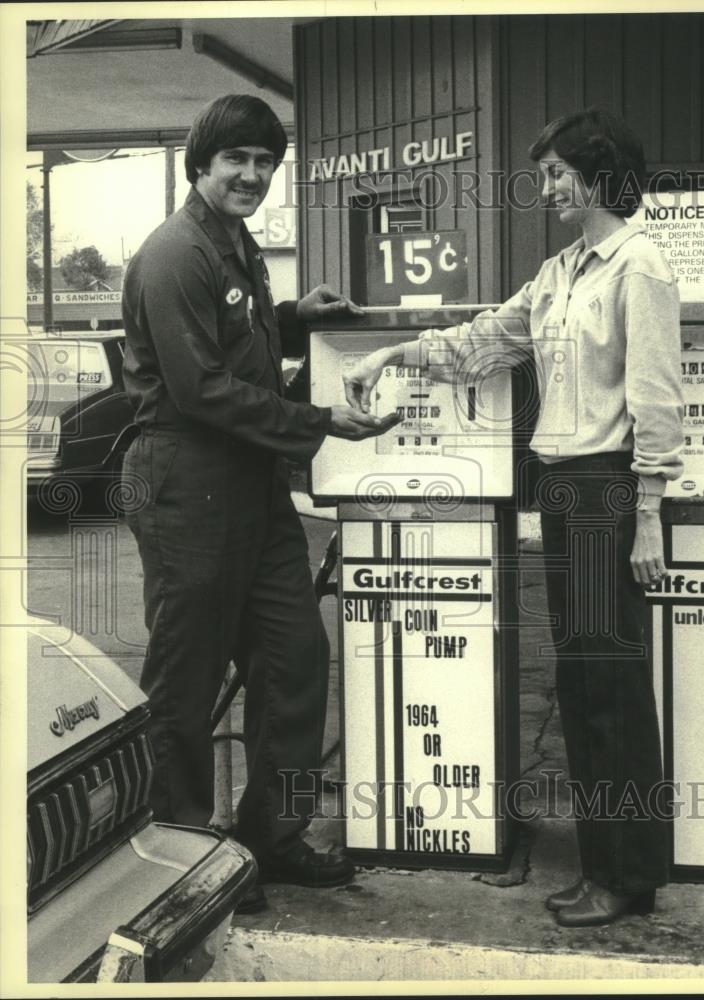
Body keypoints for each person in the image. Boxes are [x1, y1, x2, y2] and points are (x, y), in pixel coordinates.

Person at [343, 108, 684, 928]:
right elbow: (485, 340)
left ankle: (627, 874)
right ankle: (608, 865)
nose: (548, 184)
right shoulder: (562, 270)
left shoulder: (639, 266)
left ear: (600, 174)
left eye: (561, 171)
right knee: (580, 682)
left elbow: (656, 399)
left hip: (608, 492)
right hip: (565, 492)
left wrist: (648, 516)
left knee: (610, 689)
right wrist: (392, 352)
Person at [121, 94, 389, 913]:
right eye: (235, 159)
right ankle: (182, 857)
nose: (251, 175)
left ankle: (270, 837)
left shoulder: (232, 244)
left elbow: (231, 335)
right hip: (187, 479)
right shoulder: (173, 254)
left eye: (265, 163)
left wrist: (292, 318)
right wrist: (319, 421)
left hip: (253, 483)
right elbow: (200, 386)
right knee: (186, 679)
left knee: (294, 661)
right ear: (200, 162)